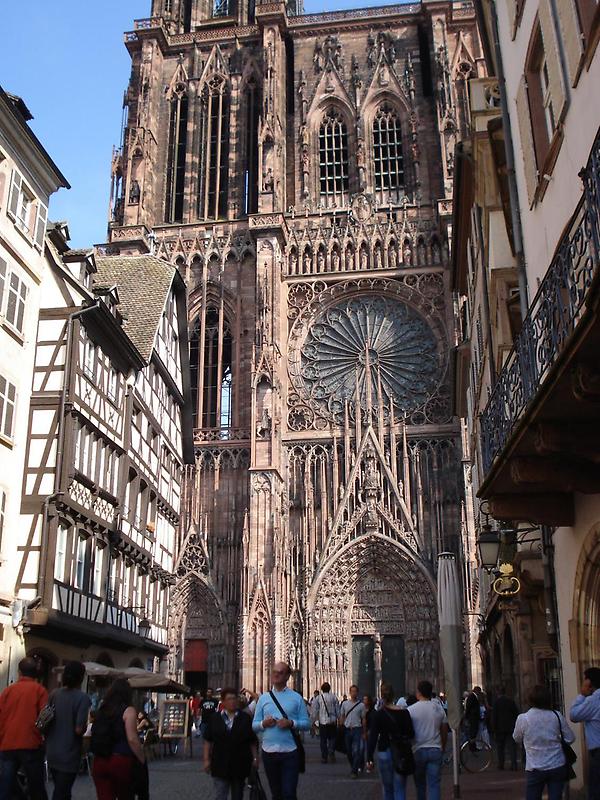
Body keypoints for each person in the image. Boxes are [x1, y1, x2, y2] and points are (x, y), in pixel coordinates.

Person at [252, 662, 311, 800]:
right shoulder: (263, 698)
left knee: (289, 793)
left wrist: (291, 723)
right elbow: (254, 725)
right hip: (269, 752)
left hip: (290, 752)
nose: (276, 675)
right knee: (276, 794)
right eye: (274, 672)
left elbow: (307, 724)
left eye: (280, 672)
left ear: (287, 676)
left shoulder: (296, 698)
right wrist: (263, 723)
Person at [513, 684, 575, 800]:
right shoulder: (556, 715)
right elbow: (570, 738)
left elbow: (516, 738)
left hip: (535, 766)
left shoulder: (523, 718)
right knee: (556, 797)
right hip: (557, 764)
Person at [0, 656, 48, 800]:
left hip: (7, 743)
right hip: (30, 744)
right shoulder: (40, 690)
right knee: (36, 786)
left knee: (5, 785)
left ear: (19, 671)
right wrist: (38, 732)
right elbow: (44, 717)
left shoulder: (8, 691)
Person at [91, 678, 145, 800]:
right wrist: (142, 757)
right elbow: (132, 738)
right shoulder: (128, 710)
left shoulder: (102, 709)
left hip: (100, 760)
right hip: (120, 759)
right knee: (125, 796)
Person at [45, 660, 91, 800]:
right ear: (81, 677)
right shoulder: (83, 698)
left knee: (61, 791)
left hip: (52, 751)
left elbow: (47, 718)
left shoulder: (54, 694)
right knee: (62, 792)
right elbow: (78, 729)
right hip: (69, 753)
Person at [203, 687, 258, 800]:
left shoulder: (245, 718)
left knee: (238, 796)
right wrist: (206, 760)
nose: (232, 701)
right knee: (220, 795)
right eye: (229, 699)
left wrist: (255, 758)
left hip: (240, 764)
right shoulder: (215, 718)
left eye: (234, 698)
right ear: (223, 701)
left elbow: (252, 740)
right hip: (219, 763)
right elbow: (208, 740)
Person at [366, 682, 414, 800]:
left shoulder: (378, 715)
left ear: (382, 696)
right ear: (394, 696)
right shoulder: (404, 713)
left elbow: (372, 737)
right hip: (400, 752)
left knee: (387, 789)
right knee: (400, 788)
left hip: (384, 752)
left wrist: (369, 758)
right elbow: (410, 734)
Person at [408, 680, 448, 800]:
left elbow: (409, 732)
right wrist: (443, 746)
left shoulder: (411, 710)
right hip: (435, 749)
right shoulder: (438, 708)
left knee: (420, 785)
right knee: (434, 784)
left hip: (418, 750)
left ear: (418, 692)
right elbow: (444, 729)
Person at [570, 666, 600, 799]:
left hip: (598, 751)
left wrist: (582, 694)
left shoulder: (593, 700)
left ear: (590, 683)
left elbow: (574, 715)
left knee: (595, 788)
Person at [310, 682, 339, 764]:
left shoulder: (318, 698)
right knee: (332, 738)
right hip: (332, 722)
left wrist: (312, 722)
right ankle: (331, 750)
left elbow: (314, 711)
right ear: (329, 689)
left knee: (323, 740)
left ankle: (324, 757)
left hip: (323, 722)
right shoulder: (334, 697)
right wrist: (339, 719)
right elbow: (338, 710)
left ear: (322, 689)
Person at [339, 685, 365, 778]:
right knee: (349, 751)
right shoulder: (345, 704)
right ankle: (354, 765)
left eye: (355, 691)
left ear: (357, 693)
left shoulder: (361, 705)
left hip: (357, 729)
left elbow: (363, 719)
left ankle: (354, 771)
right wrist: (341, 724)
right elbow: (342, 715)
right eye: (352, 691)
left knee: (356, 751)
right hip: (347, 729)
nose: (354, 693)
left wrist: (364, 732)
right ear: (350, 693)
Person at [492, 686, 519, 770]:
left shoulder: (496, 702)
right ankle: (514, 764)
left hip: (499, 728)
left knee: (500, 747)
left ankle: (501, 764)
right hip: (510, 727)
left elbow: (494, 716)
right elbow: (516, 713)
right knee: (511, 746)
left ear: (498, 693)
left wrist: (493, 727)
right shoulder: (510, 701)